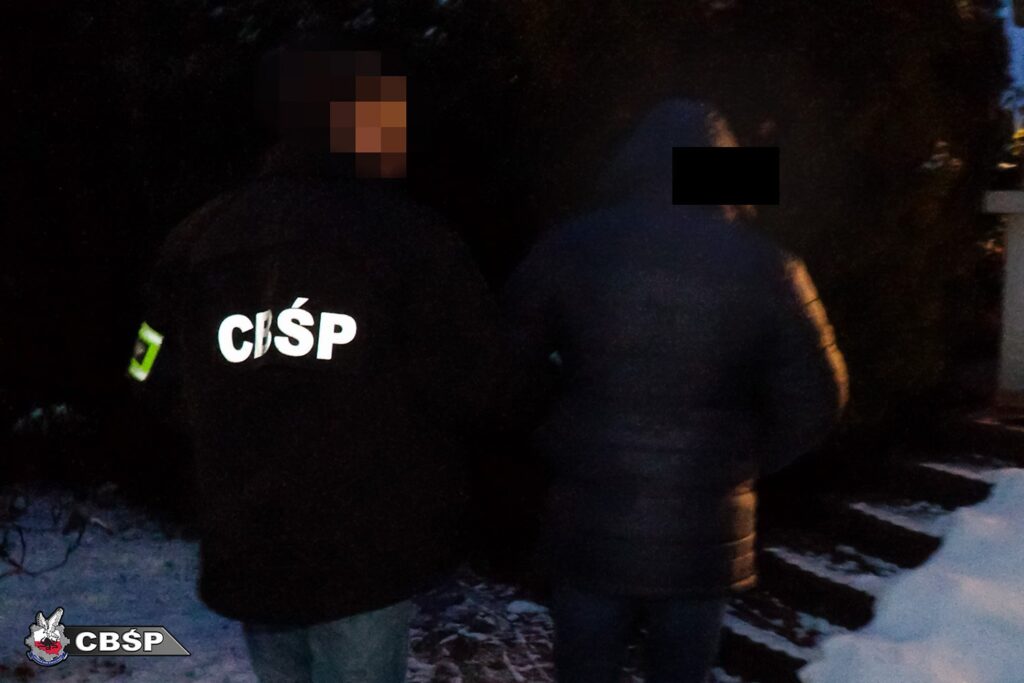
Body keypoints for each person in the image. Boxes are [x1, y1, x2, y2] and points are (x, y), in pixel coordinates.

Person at [127, 43, 498, 683]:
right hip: (365, 554)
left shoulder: (199, 238)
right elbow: (479, 383)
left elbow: (145, 374)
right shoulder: (411, 238)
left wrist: (230, 427)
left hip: (251, 540)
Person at [502, 99, 849, 683]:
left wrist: (558, 438)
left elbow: (505, 371)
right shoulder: (769, 265)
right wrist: (741, 461)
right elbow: (820, 398)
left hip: (590, 521)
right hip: (704, 535)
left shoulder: (570, 247)